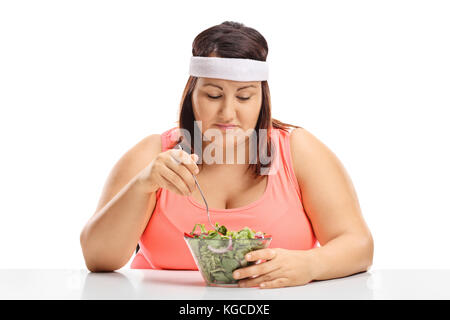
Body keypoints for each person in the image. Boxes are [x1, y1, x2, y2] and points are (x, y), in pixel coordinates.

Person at [80, 21, 374, 289]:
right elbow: (98, 259)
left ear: (262, 98)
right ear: (191, 93)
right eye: (213, 95)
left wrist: (311, 264)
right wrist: (143, 184)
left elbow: (359, 245)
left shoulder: (299, 151)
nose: (228, 113)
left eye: (245, 96)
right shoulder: (152, 154)